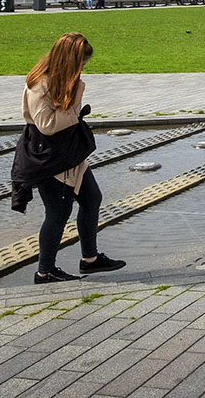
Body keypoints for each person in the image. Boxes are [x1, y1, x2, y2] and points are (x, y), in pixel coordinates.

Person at [19, 33, 126, 283]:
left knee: (91, 198)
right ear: (69, 61)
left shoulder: (62, 80)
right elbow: (47, 125)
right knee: (58, 212)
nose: (82, 69)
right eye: (81, 64)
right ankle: (44, 271)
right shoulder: (41, 84)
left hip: (69, 152)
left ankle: (90, 259)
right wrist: (77, 95)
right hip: (50, 155)